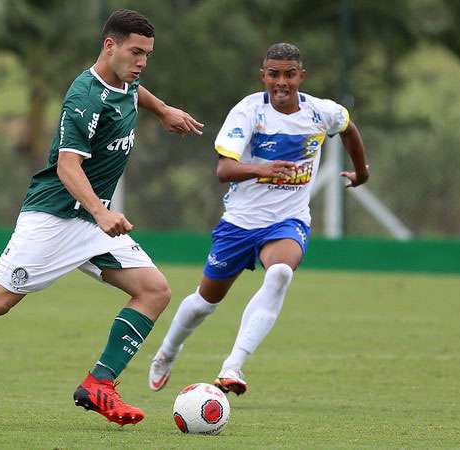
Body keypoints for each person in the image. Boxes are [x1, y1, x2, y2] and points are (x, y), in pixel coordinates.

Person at [0, 9, 203, 426]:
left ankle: (99, 384)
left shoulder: (126, 79)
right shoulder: (85, 96)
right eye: (136, 52)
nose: (142, 62)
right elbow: (68, 167)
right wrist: (102, 212)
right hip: (53, 217)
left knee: (154, 290)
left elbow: (136, 89)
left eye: (147, 55)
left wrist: (163, 110)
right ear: (110, 46)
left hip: (89, 221)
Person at [148, 43, 369, 396]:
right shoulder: (249, 112)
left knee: (280, 273)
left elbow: (348, 128)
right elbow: (224, 169)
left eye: (289, 74)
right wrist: (261, 169)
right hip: (240, 223)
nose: (281, 82)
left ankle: (233, 365)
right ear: (263, 75)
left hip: (288, 220)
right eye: (274, 74)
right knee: (205, 303)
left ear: (301, 76)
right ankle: (167, 352)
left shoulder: (321, 112)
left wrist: (362, 172)